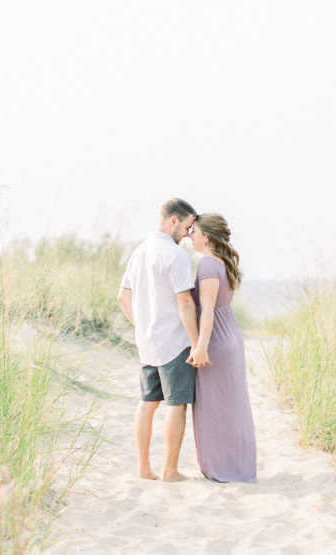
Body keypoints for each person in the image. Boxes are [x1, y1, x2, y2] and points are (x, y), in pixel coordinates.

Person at [117, 198, 199, 481]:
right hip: (174, 342)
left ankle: (143, 468)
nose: (189, 235)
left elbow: (122, 297)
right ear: (173, 220)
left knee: (147, 402)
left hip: (147, 342)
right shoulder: (175, 255)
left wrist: (142, 327)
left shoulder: (138, 252)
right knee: (176, 404)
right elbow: (185, 302)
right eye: (188, 227)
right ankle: (170, 470)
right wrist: (197, 343)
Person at [187, 213, 257, 483]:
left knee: (215, 407)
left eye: (194, 230)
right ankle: (239, 466)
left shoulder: (207, 265)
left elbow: (207, 311)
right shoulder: (223, 262)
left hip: (216, 340)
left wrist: (201, 347)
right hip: (231, 337)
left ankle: (224, 469)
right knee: (234, 406)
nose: (190, 235)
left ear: (206, 234)